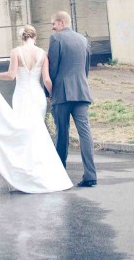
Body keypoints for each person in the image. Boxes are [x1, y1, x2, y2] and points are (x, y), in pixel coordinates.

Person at [0, 25, 72, 193]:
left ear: (22, 37)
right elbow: (47, 80)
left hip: (21, 96)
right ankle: (44, 175)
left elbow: (11, 75)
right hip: (37, 97)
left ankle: (25, 176)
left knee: (23, 134)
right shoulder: (42, 54)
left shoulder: (16, 52)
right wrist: (51, 95)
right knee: (38, 133)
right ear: (34, 37)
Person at [47, 10, 97, 188]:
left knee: (62, 133)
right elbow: (86, 68)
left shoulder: (56, 39)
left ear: (61, 23)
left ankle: (59, 173)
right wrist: (82, 84)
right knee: (85, 134)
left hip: (62, 93)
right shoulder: (83, 39)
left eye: (53, 24)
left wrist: (49, 92)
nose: (52, 28)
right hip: (82, 92)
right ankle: (90, 175)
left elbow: (53, 68)